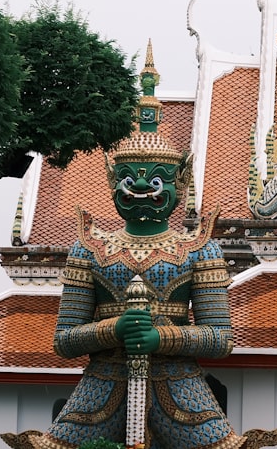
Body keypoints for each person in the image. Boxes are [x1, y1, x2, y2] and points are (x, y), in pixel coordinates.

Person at [32, 43, 245, 449]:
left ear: (179, 185)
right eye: (130, 178)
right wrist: (116, 329)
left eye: (157, 179)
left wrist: (158, 339)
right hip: (102, 387)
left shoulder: (199, 249)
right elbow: (64, 340)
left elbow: (220, 339)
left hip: (181, 390)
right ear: (113, 185)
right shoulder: (90, 249)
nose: (144, 187)